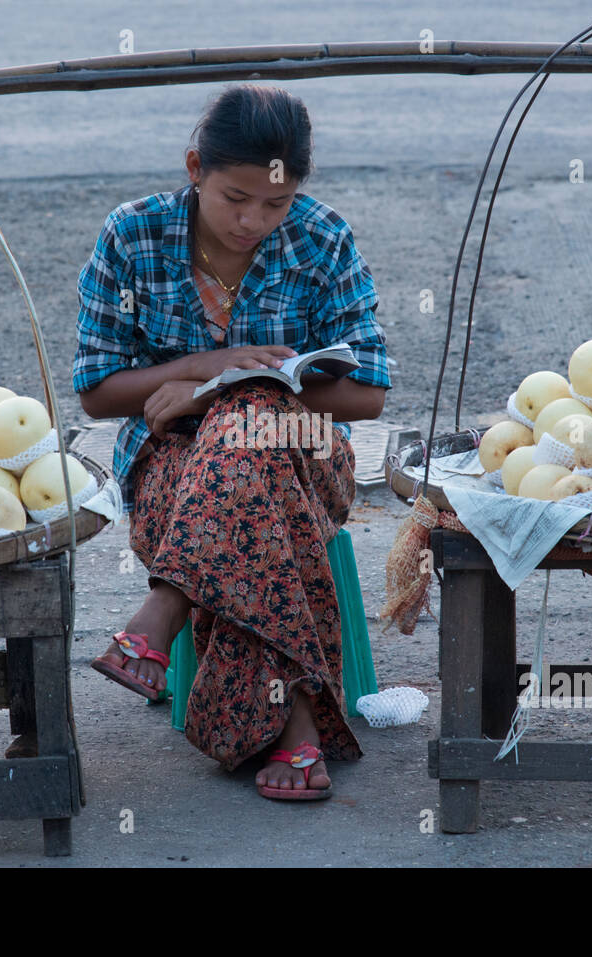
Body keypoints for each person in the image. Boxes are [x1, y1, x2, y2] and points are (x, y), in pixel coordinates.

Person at [71, 84, 392, 800]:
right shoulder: (133, 235)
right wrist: (199, 369)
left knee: (251, 409)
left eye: (275, 204)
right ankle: (298, 727)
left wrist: (249, 382)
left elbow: (368, 394)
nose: (254, 220)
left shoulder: (322, 238)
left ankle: (163, 609)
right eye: (235, 198)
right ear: (194, 169)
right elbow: (96, 387)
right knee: (245, 472)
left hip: (306, 449)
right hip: (170, 458)